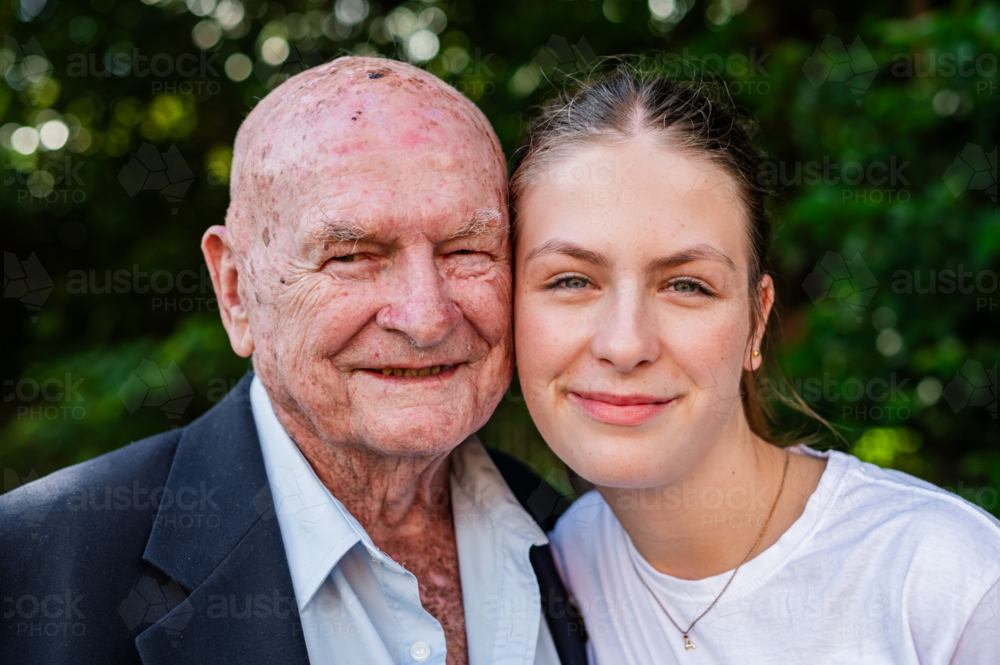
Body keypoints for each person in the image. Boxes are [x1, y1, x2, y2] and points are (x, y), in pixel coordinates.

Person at [1, 57, 586, 665]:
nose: (427, 316)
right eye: (353, 256)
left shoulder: (583, 540)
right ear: (235, 291)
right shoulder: (31, 567)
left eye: (467, 249)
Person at [509, 67, 1000, 664]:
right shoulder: (552, 568)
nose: (625, 342)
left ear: (757, 319)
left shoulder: (949, 582)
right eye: (571, 280)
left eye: (686, 285)